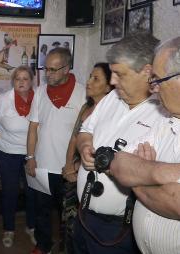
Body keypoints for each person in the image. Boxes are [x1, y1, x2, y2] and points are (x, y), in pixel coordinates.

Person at [74, 33, 166, 254]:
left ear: (146, 72)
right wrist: (85, 147)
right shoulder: (113, 97)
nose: (112, 81)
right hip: (84, 216)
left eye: (119, 74)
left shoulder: (164, 113)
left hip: (120, 229)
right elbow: (85, 130)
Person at [109, 36, 180, 254]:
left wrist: (140, 175)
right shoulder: (169, 120)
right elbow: (119, 163)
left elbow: (175, 201)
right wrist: (162, 173)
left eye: (158, 80)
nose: (154, 89)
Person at [26, 47, 86, 254]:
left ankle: (67, 248)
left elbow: (87, 133)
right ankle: (43, 245)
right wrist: (30, 157)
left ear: (67, 68)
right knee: (41, 211)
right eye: (46, 69)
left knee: (68, 215)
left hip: (67, 169)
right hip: (42, 165)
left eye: (53, 69)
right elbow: (33, 127)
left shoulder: (83, 93)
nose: (47, 74)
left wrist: (77, 164)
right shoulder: (41, 91)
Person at [61, 62, 113, 254]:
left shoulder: (113, 113)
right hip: (74, 174)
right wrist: (68, 167)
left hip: (93, 178)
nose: (89, 82)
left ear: (109, 86)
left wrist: (79, 167)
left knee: (87, 232)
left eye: (96, 78)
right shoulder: (86, 107)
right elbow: (75, 138)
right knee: (70, 228)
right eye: (90, 76)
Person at [0, 65, 37, 248]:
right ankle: (8, 229)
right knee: (9, 193)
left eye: (25, 78)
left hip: (31, 154)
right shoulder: (1, 101)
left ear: (31, 81)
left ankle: (32, 227)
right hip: (7, 154)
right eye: (18, 78)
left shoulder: (40, 99)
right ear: (13, 81)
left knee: (32, 192)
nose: (21, 82)